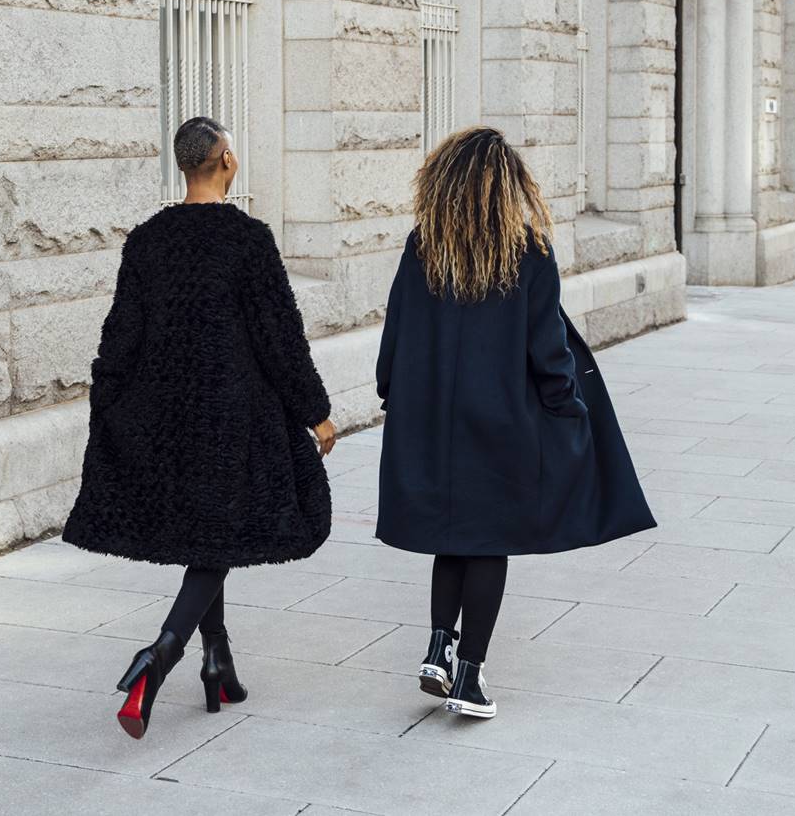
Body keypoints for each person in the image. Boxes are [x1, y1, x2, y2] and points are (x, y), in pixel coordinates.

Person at [63, 116, 337, 740]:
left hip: (166, 417)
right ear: (226, 163)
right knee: (218, 541)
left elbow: (120, 333)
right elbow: (279, 336)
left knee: (209, 535)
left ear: (184, 166)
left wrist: (106, 401)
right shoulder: (248, 240)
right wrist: (313, 410)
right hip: (232, 417)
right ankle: (156, 661)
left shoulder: (148, 240)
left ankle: (219, 662)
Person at [375, 126, 655, 720]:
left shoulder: (423, 245)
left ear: (446, 182)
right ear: (507, 187)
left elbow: (396, 328)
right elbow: (548, 348)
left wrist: (390, 393)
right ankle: (468, 678)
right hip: (501, 421)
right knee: (488, 542)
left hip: (432, 420)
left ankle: (436, 647)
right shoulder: (528, 252)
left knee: (451, 536)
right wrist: (567, 409)